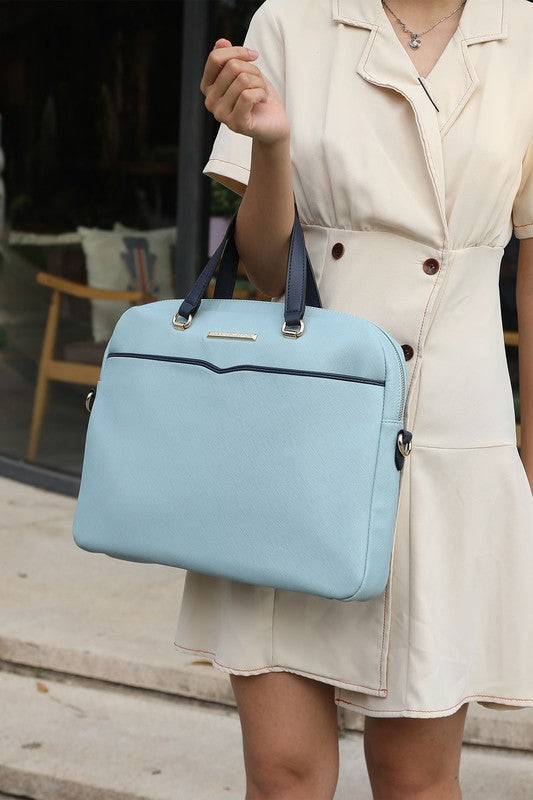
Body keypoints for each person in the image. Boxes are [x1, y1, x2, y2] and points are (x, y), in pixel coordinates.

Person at [175, 1, 533, 797]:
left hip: (446, 440)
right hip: (298, 433)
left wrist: (529, 456)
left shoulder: (522, 32)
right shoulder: (292, 21)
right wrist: (271, 144)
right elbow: (267, 269)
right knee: (284, 774)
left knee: (415, 779)